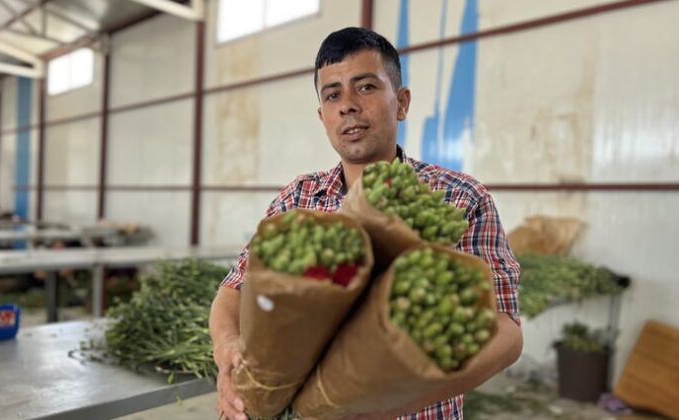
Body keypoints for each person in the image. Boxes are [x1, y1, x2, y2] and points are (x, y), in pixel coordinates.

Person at [209, 27, 522, 420]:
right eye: (333, 94)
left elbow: (506, 332)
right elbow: (233, 293)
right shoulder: (297, 200)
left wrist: (388, 402)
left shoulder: (459, 198)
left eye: (366, 87)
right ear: (322, 116)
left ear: (402, 102)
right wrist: (228, 354)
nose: (348, 106)